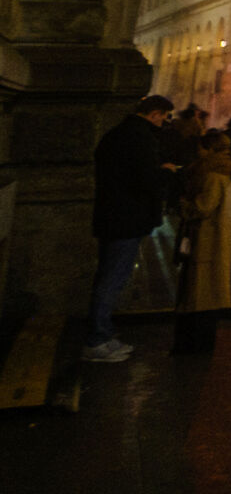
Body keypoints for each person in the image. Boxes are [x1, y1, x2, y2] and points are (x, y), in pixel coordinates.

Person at [85, 94, 178, 363]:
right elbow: (146, 180)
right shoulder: (141, 138)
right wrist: (167, 172)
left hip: (110, 213)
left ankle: (103, 333)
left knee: (107, 275)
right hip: (127, 217)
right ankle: (97, 339)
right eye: (164, 117)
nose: (163, 123)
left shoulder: (116, 134)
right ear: (156, 114)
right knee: (112, 279)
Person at [173, 131, 231, 355]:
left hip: (206, 240)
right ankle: (200, 344)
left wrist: (183, 203)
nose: (197, 153)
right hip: (213, 240)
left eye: (201, 148)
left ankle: (197, 347)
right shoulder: (224, 169)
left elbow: (203, 207)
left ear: (210, 149)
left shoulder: (212, 175)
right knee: (205, 292)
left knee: (201, 293)